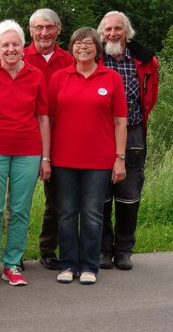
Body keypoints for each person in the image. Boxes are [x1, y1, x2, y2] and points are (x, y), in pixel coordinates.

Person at [50, 27, 127, 285]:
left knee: (93, 213)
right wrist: (46, 157)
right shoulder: (59, 78)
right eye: (78, 43)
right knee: (67, 213)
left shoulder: (111, 78)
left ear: (98, 47)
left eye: (89, 43)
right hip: (63, 159)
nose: (83, 47)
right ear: (71, 47)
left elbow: (120, 122)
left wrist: (119, 158)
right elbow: (48, 120)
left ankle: (89, 266)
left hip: (99, 160)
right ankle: (68, 264)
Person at [0, 20, 50, 288]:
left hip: (28, 151)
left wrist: (45, 157)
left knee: (19, 209)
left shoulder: (35, 75)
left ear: (23, 46)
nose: (11, 49)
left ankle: (13, 263)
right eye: (5, 44)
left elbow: (43, 118)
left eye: (15, 44)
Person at [97, 11, 159, 270]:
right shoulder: (95, 56)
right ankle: (102, 250)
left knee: (129, 193)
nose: (113, 34)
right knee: (99, 194)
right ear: (102, 32)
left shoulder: (145, 61)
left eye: (117, 29)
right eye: (108, 29)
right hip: (99, 132)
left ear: (127, 32)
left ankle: (124, 250)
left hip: (133, 131)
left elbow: (151, 96)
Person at [24, 8, 74, 271]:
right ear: (30, 31)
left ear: (59, 30)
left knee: (57, 201)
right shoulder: (18, 56)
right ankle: (15, 253)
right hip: (23, 139)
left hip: (59, 139)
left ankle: (47, 248)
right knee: (18, 202)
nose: (44, 33)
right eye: (38, 28)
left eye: (49, 27)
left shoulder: (70, 60)